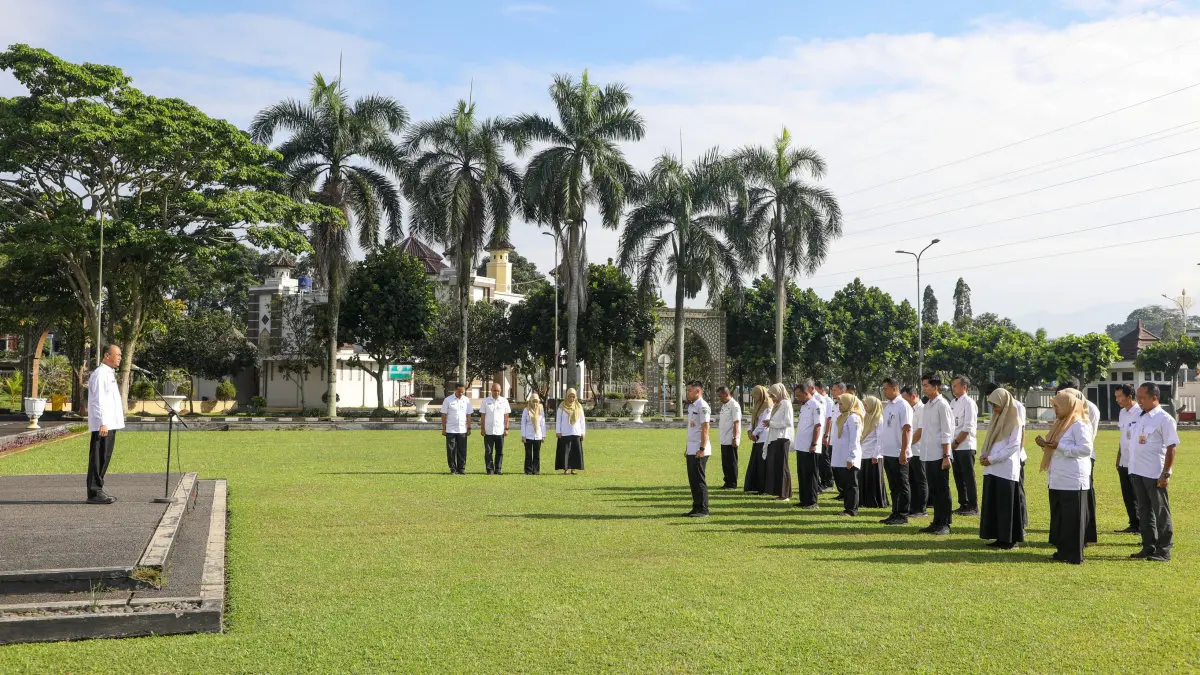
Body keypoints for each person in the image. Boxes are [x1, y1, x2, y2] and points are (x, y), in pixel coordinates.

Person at [1037, 388, 1093, 564]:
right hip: (1058, 477)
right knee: (1060, 517)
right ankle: (1062, 551)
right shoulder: (1060, 423)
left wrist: (1058, 447)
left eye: (1057, 406)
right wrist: (1045, 445)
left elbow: (1085, 450)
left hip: (1073, 479)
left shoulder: (1078, 424)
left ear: (1068, 406)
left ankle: (1074, 555)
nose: (1055, 410)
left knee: (1072, 518)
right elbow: (1054, 447)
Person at [1129, 383, 1178, 562]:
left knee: (1160, 512)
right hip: (1137, 471)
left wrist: (1166, 474)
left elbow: (1172, 448)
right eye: (1138, 397)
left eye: (1142, 398)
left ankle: (1164, 550)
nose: (1139, 401)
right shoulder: (1140, 416)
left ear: (1154, 398)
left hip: (1154, 473)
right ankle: (1148, 546)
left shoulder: (1164, 419)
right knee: (1144, 511)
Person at [978, 388, 1025, 550]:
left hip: (1005, 468)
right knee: (995, 505)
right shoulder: (996, 419)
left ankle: (1009, 540)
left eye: (996, 405)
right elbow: (989, 440)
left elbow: (1013, 446)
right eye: (992, 405)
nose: (994, 409)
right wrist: (984, 455)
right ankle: (999, 537)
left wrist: (991, 458)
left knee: (1006, 506)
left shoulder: (1014, 421)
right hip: (992, 468)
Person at [1056, 380, 1099, 544]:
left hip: (1081, 458)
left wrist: (1061, 446)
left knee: (1084, 497)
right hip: (1066, 457)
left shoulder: (1088, 410)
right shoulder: (1065, 412)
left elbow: (1087, 439)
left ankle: (1086, 533)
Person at [86, 344, 125, 504]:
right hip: (104, 425)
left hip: (110, 424)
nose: (120, 358)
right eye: (118, 355)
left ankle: (98, 489)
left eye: (121, 355)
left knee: (104, 457)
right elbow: (99, 400)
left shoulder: (109, 373)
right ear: (106, 356)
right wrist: (103, 422)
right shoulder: (101, 374)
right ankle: (94, 492)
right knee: (98, 457)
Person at [919, 375, 954, 535]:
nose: (923, 388)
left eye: (926, 386)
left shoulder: (942, 405)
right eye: (923, 385)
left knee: (942, 490)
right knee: (934, 491)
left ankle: (945, 523)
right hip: (928, 454)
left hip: (940, 455)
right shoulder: (927, 405)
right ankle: (936, 521)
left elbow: (947, 432)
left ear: (935, 387)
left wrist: (946, 455)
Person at [879, 379, 913, 525]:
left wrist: (904, 451)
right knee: (893, 485)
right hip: (888, 451)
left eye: (886, 389)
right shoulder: (888, 407)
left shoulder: (903, 406)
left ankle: (903, 514)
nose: (884, 391)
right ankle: (895, 512)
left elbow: (907, 429)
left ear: (894, 388)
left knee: (902, 484)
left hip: (899, 452)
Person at [1113, 384, 1142, 534]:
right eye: (1116, 396)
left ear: (1129, 397)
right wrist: (1118, 457)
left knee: (1139, 494)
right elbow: (1123, 437)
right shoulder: (1122, 413)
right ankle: (1133, 523)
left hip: (1137, 461)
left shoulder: (1141, 412)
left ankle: (1143, 526)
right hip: (1124, 460)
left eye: (1119, 396)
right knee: (1127, 494)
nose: (1117, 399)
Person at [831, 393, 865, 516]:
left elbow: (854, 439)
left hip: (849, 456)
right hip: (841, 456)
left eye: (841, 403)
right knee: (845, 484)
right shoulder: (843, 417)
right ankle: (847, 508)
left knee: (851, 484)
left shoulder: (853, 418)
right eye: (839, 404)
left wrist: (851, 457)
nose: (839, 406)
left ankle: (852, 510)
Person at [950, 375, 980, 516]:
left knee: (968, 476)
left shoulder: (969, 402)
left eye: (955, 385)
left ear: (964, 387)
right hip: (954, 446)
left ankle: (973, 506)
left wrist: (956, 442)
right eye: (952, 385)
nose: (952, 388)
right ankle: (963, 503)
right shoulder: (953, 403)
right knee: (958, 476)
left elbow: (968, 427)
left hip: (965, 445)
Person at [793, 380, 824, 509]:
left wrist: (814, 443)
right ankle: (804, 499)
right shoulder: (804, 406)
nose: (797, 398)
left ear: (806, 393)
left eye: (799, 395)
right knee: (802, 474)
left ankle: (812, 501)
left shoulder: (816, 405)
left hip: (811, 447)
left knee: (811, 475)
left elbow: (818, 425)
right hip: (801, 446)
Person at [684, 382, 713, 517]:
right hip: (691, 448)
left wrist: (702, 448)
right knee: (692, 479)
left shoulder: (703, 406)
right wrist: (687, 448)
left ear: (698, 391)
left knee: (699, 479)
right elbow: (692, 429)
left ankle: (703, 509)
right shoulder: (692, 406)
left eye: (690, 390)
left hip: (699, 448)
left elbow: (705, 428)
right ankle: (696, 507)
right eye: (687, 390)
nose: (687, 392)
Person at [901, 385, 928, 519]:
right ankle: (913, 506)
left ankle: (921, 509)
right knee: (911, 479)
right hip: (910, 451)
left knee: (920, 479)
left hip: (918, 450)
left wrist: (908, 444)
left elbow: (920, 431)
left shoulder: (922, 409)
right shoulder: (909, 409)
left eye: (905, 399)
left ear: (913, 396)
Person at [764, 383, 794, 501]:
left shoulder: (786, 404)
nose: (772, 398)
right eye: (770, 396)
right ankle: (780, 492)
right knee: (776, 466)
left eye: (773, 395)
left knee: (782, 466)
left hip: (782, 438)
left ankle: (785, 494)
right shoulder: (778, 404)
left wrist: (771, 423)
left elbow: (788, 422)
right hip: (775, 438)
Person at [859, 396, 889, 509]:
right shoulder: (866, 417)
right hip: (864, 452)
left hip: (873, 453)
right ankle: (864, 500)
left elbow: (880, 438)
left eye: (867, 405)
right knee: (864, 478)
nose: (865, 407)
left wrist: (876, 454)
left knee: (873, 479)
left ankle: (874, 501)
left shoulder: (879, 419)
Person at [744, 385, 772, 493]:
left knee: (762, 464)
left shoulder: (768, 405)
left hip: (764, 437)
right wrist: (750, 431)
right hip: (756, 438)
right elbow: (753, 420)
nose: (754, 397)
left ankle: (763, 487)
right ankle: (754, 487)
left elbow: (764, 423)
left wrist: (754, 433)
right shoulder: (757, 404)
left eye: (756, 394)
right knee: (756, 463)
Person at [441, 383, 472, 475]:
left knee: (462, 450)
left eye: (463, 392)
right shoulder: (448, 400)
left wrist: (469, 427)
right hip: (450, 429)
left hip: (462, 429)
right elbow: (443, 415)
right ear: (455, 389)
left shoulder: (466, 400)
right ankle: (453, 468)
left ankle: (461, 468)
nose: (461, 393)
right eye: (459, 392)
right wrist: (444, 428)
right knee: (451, 450)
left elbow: (469, 415)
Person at [480, 382, 511, 475]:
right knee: (488, 451)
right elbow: (483, 416)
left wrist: (506, 428)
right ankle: (490, 469)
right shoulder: (486, 401)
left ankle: (498, 469)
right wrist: (482, 428)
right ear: (491, 390)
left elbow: (506, 416)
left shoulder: (504, 401)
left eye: (498, 391)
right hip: (488, 431)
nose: (496, 392)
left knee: (500, 452)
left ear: (500, 391)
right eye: (494, 390)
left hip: (500, 430)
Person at [823, 382, 847, 497]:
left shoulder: (849, 404)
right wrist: (827, 436)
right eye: (832, 390)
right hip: (833, 441)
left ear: (842, 390)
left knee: (843, 468)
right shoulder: (835, 405)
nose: (832, 392)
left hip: (843, 442)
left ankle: (846, 491)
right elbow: (830, 421)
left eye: (835, 390)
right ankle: (841, 491)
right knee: (835, 467)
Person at [555, 388, 586, 474]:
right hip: (565, 433)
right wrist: (558, 431)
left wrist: (583, 432)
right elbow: (558, 420)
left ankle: (573, 468)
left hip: (576, 432)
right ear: (567, 396)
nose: (572, 398)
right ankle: (566, 469)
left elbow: (582, 421)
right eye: (570, 396)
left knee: (575, 451)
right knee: (565, 451)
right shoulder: (561, 406)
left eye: (573, 396)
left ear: (576, 397)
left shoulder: (579, 406)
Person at [717, 386, 742, 489]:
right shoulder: (724, 405)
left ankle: (732, 483)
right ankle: (727, 481)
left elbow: (736, 422)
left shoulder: (734, 405)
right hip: (724, 438)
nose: (719, 398)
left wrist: (735, 437)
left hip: (731, 438)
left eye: (720, 396)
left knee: (731, 462)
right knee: (725, 463)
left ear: (726, 394)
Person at [815, 382, 836, 491]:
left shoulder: (827, 401)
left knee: (824, 459)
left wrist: (826, 435)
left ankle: (828, 482)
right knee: (820, 459)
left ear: (820, 389)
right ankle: (822, 481)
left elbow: (829, 419)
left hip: (824, 434)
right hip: (819, 434)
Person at [522, 393, 546, 475]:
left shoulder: (541, 410)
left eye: (536, 401)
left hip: (538, 436)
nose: (535, 403)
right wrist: (523, 435)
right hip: (528, 435)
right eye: (533, 401)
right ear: (530, 401)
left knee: (537, 454)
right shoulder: (526, 410)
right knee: (528, 454)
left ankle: (536, 470)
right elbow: (523, 423)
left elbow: (542, 423)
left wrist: (543, 435)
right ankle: (528, 470)